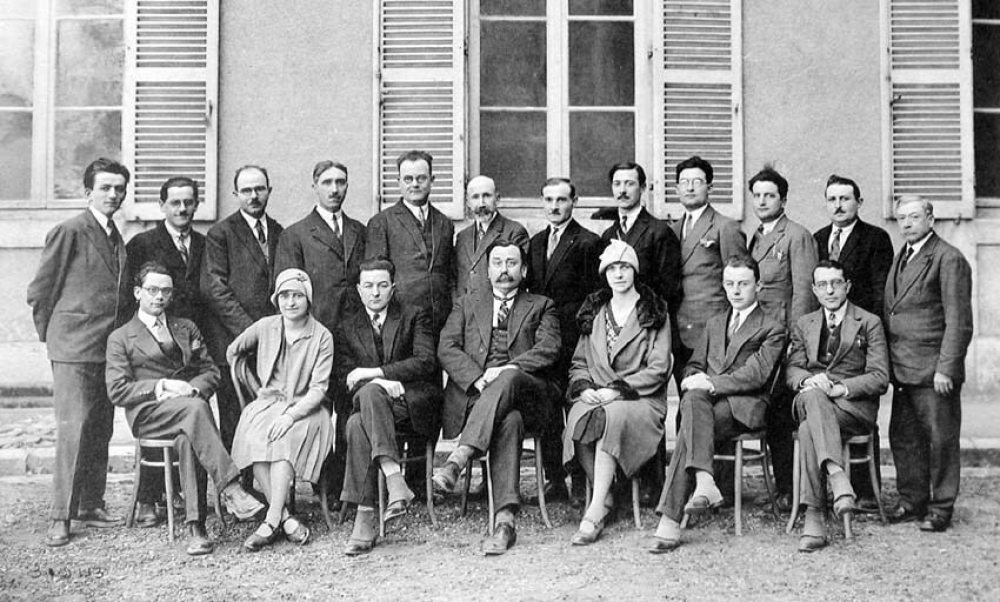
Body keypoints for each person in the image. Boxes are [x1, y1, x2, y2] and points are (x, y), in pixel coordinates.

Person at [105, 262, 265, 555]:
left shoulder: (185, 327)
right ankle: (231, 487)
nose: (160, 296)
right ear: (138, 292)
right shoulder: (121, 337)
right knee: (196, 411)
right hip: (150, 414)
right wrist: (161, 386)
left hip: (189, 411)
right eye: (153, 290)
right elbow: (117, 390)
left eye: (166, 291)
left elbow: (210, 371)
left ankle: (197, 529)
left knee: (189, 436)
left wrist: (192, 389)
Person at [27, 157, 133, 547]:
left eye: (119, 188)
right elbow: (40, 291)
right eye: (105, 188)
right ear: (88, 192)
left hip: (107, 349)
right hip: (74, 349)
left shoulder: (115, 235)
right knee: (73, 430)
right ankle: (61, 515)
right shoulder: (70, 230)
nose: (113, 194)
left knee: (101, 428)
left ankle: (91, 504)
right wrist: (55, 337)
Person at [648, 256, 786, 553]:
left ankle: (673, 517)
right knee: (693, 399)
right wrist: (692, 378)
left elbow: (756, 375)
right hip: (707, 404)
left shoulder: (772, 327)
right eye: (730, 283)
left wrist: (709, 383)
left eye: (743, 284)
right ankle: (704, 482)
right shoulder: (715, 323)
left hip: (744, 406)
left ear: (758, 286)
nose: (735, 290)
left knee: (691, 420)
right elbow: (694, 364)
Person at [434, 239, 561, 555]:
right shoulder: (467, 304)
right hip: (478, 396)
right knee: (509, 420)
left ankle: (459, 458)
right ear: (488, 270)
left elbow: (549, 348)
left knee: (511, 377)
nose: (504, 270)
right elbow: (446, 347)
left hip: (529, 396)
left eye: (512, 263)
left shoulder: (542, 305)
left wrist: (506, 369)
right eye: (498, 263)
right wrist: (478, 379)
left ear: (524, 270)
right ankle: (505, 521)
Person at [563, 240, 672, 545]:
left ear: (634, 271)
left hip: (641, 399)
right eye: (612, 268)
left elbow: (659, 368)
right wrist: (585, 388)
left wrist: (617, 391)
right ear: (605, 274)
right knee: (578, 415)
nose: (619, 274)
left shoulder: (654, 311)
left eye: (624, 267)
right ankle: (607, 493)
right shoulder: (595, 312)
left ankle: (596, 508)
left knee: (608, 416)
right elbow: (579, 363)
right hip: (599, 395)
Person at [336, 258, 444, 556]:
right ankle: (393, 477)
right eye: (369, 286)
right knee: (360, 415)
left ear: (393, 288)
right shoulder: (347, 326)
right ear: (359, 290)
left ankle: (365, 517)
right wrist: (379, 385)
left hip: (410, 404)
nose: (375, 292)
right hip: (371, 405)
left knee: (359, 420)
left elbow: (425, 361)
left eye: (382, 285)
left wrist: (378, 375)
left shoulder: (414, 315)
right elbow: (345, 378)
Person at [274, 160, 366, 503]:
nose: (334, 189)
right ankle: (320, 482)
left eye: (340, 182)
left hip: (354, 337)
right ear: (314, 186)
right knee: (317, 406)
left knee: (350, 406)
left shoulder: (359, 230)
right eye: (327, 182)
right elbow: (289, 292)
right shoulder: (296, 234)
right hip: (316, 336)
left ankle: (346, 484)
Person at [227, 269, 335, 550]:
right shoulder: (266, 326)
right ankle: (285, 518)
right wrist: (256, 389)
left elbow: (318, 389)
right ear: (277, 299)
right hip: (269, 403)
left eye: (297, 296)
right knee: (256, 437)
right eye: (284, 296)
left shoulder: (322, 336)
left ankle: (271, 520)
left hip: (307, 409)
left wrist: (290, 416)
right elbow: (233, 352)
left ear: (308, 299)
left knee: (284, 438)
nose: (290, 302)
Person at [786, 260, 889, 552]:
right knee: (813, 395)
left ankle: (814, 518)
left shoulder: (869, 322)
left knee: (807, 430)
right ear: (814, 289)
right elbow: (792, 370)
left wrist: (841, 388)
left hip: (851, 408)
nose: (829, 290)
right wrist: (809, 380)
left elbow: (880, 376)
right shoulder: (804, 323)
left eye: (836, 283)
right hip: (812, 397)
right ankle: (837, 474)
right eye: (822, 284)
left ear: (848, 286)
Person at [125, 175, 210, 527]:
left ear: (197, 205)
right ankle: (149, 497)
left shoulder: (205, 243)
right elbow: (129, 297)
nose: (182, 208)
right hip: (152, 345)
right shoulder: (142, 243)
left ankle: (185, 494)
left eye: (188, 202)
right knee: (161, 411)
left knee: (193, 412)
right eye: (175, 202)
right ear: (162, 206)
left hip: (189, 342)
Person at [884, 196, 973, 532]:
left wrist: (946, 368)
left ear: (931, 219)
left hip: (933, 370)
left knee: (941, 441)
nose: (907, 223)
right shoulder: (903, 255)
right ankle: (912, 500)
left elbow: (959, 322)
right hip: (903, 368)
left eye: (914, 217)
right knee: (904, 438)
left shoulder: (948, 258)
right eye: (901, 218)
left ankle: (941, 507)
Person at [600, 161, 682, 502]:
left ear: (643, 188)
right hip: (617, 327)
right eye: (617, 184)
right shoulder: (608, 234)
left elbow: (669, 287)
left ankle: (651, 481)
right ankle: (617, 479)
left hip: (649, 326)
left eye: (630, 183)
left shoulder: (658, 232)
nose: (623, 190)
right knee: (618, 402)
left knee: (647, 399)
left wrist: (650, 319)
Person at [813, 174, 894, 509]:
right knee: (822, 403)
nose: (838, 205)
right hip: (826, 334)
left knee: (856, 403)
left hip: (859, 335)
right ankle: (825, 487)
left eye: (845, 199)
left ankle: (864, 491)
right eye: (832, 199)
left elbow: (880, 293)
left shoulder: (875, 238)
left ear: (859, 202)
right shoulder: (818, 238)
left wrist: (866, 332)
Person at [526, 177, 603, 505]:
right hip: (544, 341)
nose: (554, 206)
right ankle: (555, 479)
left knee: (576, 408)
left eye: (561, 200)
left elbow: (595, 297)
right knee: (547, 411)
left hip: (574, 340)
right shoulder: (535, 243)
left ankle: (582, 482)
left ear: (574, 202)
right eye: (549, 200)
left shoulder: (588, 242)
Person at [748, 166, 818, 509]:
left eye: (770, 195)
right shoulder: (756, 237)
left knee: (781, 415)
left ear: (783, 200)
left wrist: (796, 342)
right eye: (757, 195)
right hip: (759, 340)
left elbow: (804, 293)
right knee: (769, 413)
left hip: (785, 342)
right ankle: (782, 486)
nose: (762, 201)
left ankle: (794, 489)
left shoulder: (796, 236)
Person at [201, 165, 284, 452]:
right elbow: (215, 289)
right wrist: (253, 332)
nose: (253, 196)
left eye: (259, 189)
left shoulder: (280, 232)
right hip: (235, 344)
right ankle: (239, 479)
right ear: (235, 194)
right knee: (236, 422)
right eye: (246, 190)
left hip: (273, 346)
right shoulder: (220, 233)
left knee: (270, 417)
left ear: (269, 191)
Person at [669, 156, 747, 387]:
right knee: (685, 393)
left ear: (709, 187)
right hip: (678, 329)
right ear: (676, 188)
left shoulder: (725, 226)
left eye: (697, 181)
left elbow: (740, 281)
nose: (690, 188)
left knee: (709, 393)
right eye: (684, 182)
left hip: (712, 328)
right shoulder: (672, 230)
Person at [365, 150, 456, 335]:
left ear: (432, 180)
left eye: (421, 178)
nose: (415, 184)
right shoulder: (382, 222)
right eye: (408, 179)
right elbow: (376, 279)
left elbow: (450, 275)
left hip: (441, 321)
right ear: (398, 181)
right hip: (401, 323)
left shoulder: (444, 223)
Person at [454, 175, 529, 300]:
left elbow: (519, 279)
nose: (481, 203)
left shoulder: (514, 231)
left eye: (487, 196)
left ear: (497, 198)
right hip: (466, 307)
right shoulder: (462, 236)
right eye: (475, 197)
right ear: (468, 203)